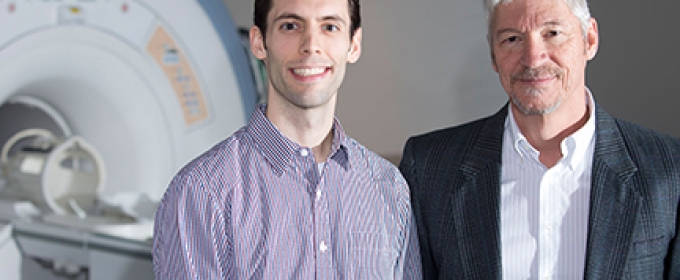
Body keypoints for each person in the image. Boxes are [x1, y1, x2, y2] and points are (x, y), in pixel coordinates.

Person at [399, 0, 680, 278]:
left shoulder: (668, 170)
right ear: (493, 56)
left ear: (590, 40)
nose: (533, 58)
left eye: (552, 33)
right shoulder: (428, 170)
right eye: (512, 39)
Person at [152, 0, 422, 278]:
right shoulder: (202, 192)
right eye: (290, 26)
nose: (311, 45)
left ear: (353, 44)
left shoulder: (389, 189)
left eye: (329, 27)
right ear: (259, 43)